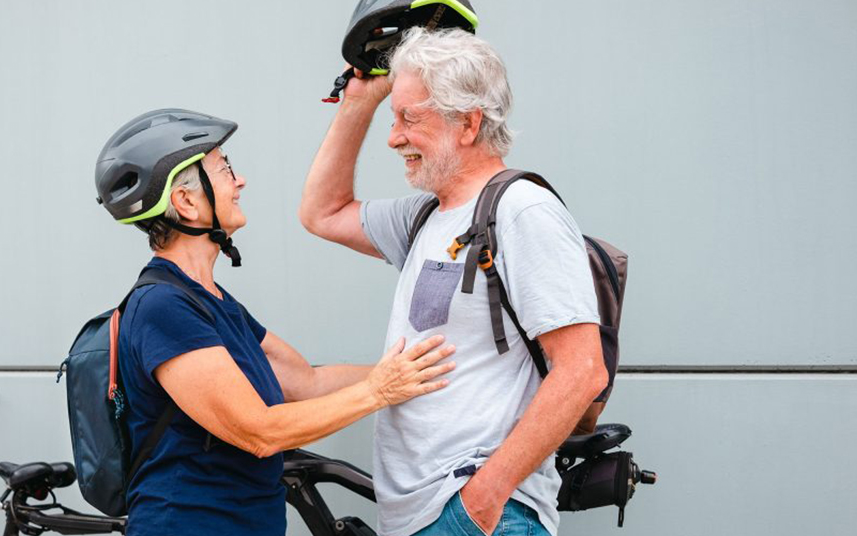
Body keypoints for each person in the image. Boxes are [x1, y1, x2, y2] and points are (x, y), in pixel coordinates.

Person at [299, 28, 609, 536]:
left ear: (467, 123)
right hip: (425, 516)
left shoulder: (520, 210)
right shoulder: (426, 216)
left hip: (477, 513)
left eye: (409, 118)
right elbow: (322, 212)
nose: (394, 137)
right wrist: (361, 99)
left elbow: (582, 371)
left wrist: (484, 499)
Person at [92, 108, 457, 536]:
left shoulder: (212, 302)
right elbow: (258, 431)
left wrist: (423, 371)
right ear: (186, 201)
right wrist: (379, 391)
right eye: (225, 168)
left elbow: (306, 383)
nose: (239, 180)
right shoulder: (162, 308)